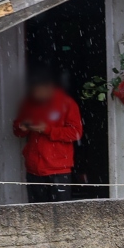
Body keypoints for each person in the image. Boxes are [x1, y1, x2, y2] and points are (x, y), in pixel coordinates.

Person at [13, 75, 83, 203]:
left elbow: (75, 133)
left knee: (60, 213)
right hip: (34, 170)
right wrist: (21, 126)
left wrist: (46, 129)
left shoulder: (67, 104)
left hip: (58, 170)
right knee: (36, 213)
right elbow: (17, 131)